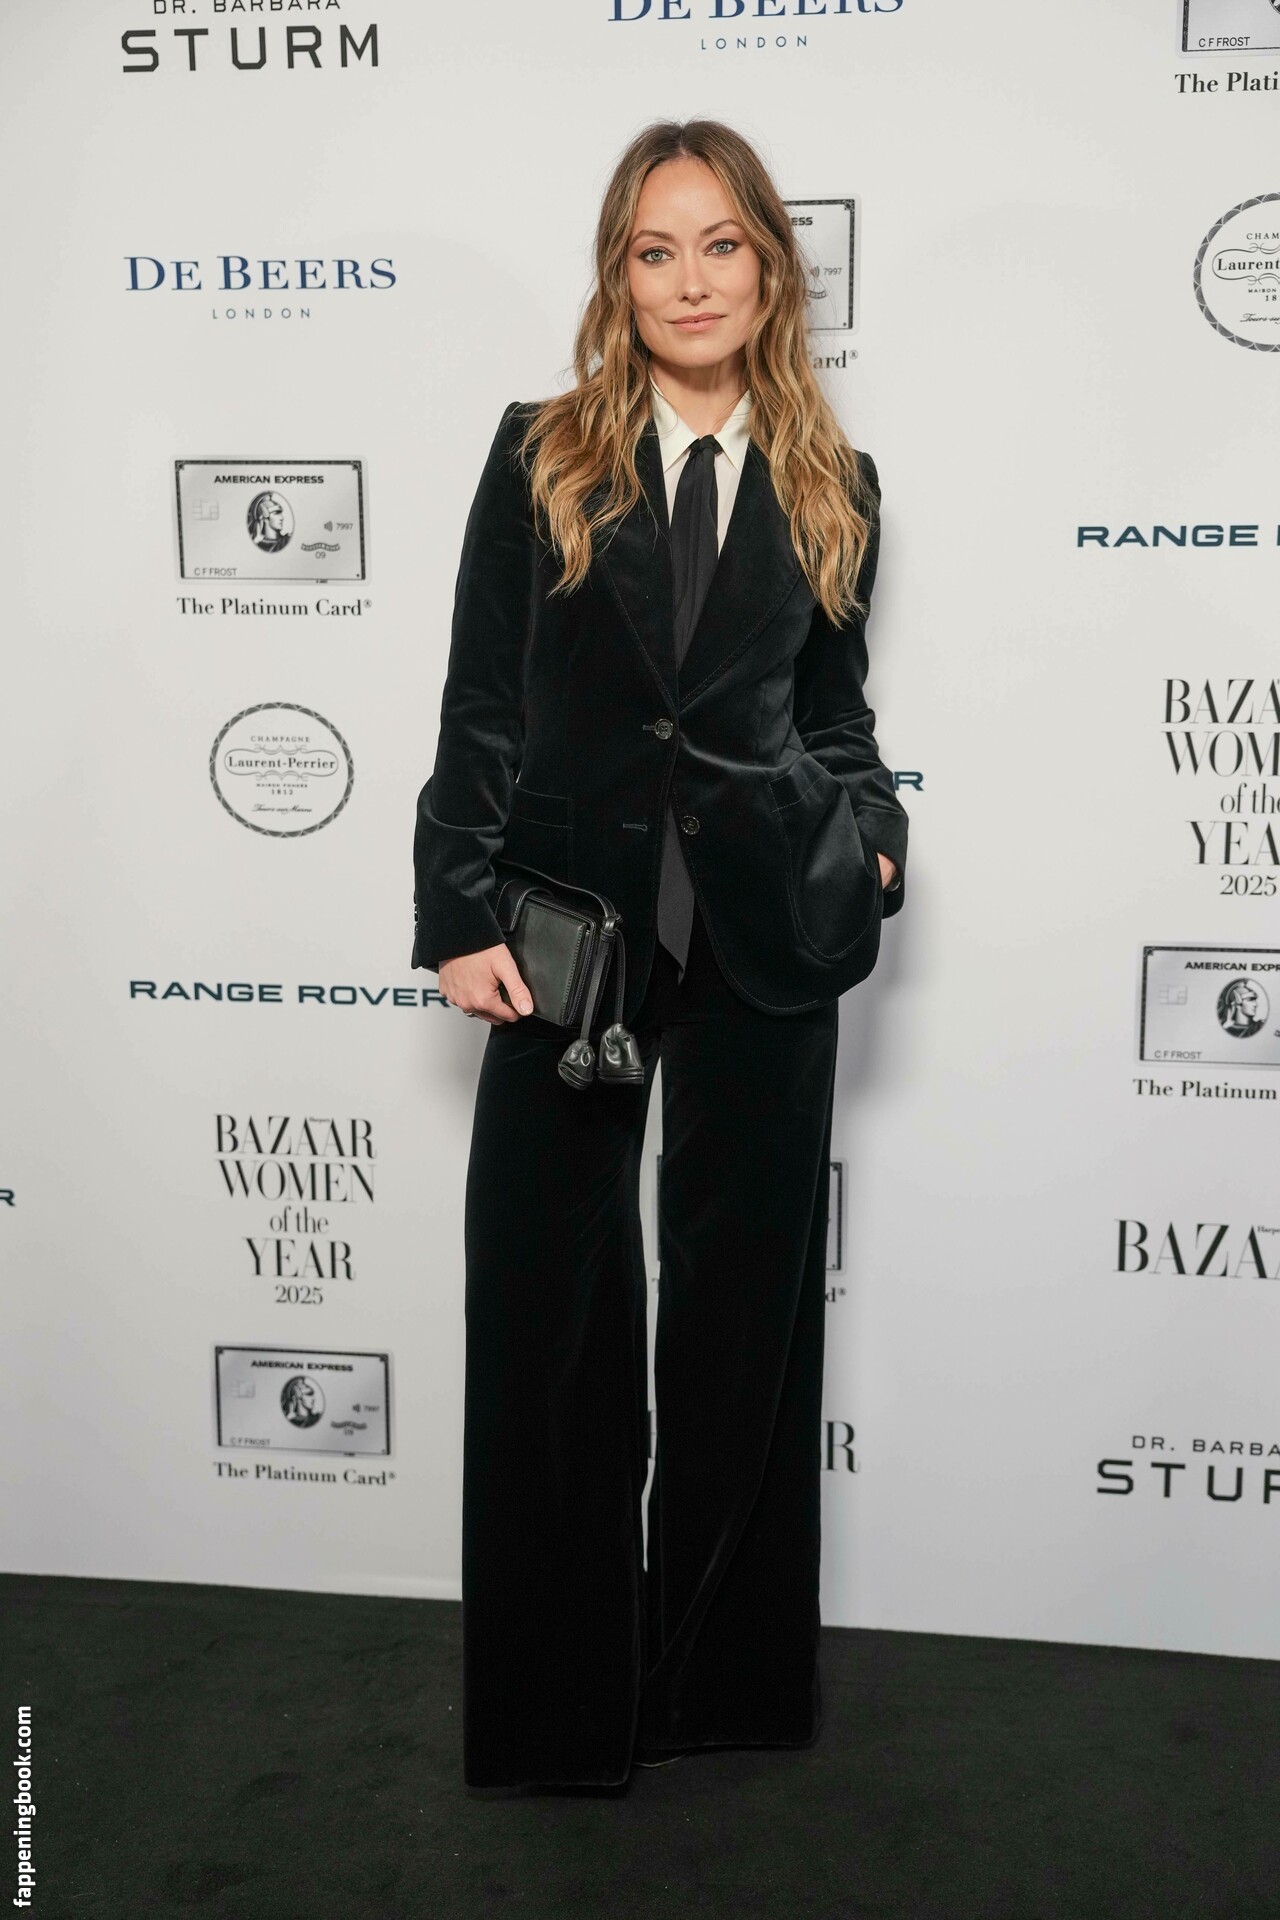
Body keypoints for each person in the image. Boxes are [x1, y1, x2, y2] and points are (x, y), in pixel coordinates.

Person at [411, 118, 909, 1795]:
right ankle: (556, 1713)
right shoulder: (542, 453)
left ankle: (722, 1685)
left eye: (721, 246)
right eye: (655, 250)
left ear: (769, 267)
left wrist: (875, 837)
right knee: (550, 1317)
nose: (691, 281)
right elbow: (483, 700)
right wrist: (458, 910)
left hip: (770, 929)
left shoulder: (837, 482)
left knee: (744, 1327)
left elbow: (833, 716)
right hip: (572, 942)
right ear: (618, 279)